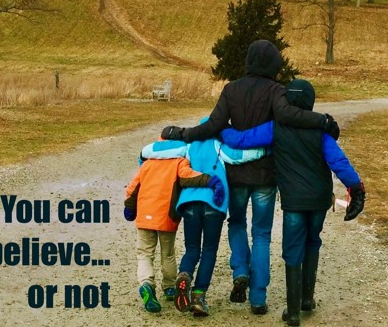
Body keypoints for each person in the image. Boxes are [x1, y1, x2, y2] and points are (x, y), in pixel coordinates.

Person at [161, 39, 340, 315]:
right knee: (262, 234)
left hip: (236, 176)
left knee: (237, 223)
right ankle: (258, 298)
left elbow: (213, 125)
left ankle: (241, 271)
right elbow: (288, 115)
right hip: (266, 175)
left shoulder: (231, 89)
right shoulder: (276, 90)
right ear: (273, 64)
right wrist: (323, 121)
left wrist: (182, 133)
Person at [221, 78, 366, 326]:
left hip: (294, 202)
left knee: (292, 248)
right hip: (319, 199)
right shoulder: (320, 130)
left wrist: (221, 128)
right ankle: (307, 299)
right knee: (313, 241)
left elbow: (241, 140)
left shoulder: (276, 128)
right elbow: (338, 161)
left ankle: (293, 312)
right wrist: (356, 189)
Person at [139, 129, 268, 317]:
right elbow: (239, 156)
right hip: (213, 204)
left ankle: (184, 274)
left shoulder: (189, 146)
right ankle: (198, 296)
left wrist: (143, 152)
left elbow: (163, 149)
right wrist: (264, 150)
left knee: (192, 249)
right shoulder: (219, 144)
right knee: (209, 250)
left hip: (190, 202)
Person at [123, 145, 225, 313]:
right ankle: (169, 287)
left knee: (145, 253)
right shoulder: (178, 162)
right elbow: (189, 177)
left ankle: (146, 284)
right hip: (166, 217)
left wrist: (129, 207)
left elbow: (133, 188)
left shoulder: (147, 164)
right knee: (168, 253)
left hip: (144, 216)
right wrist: (211, 180)